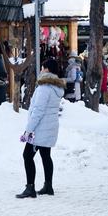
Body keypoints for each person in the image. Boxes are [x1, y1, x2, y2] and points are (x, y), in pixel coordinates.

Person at [16, 59, 64, 198]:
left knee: (27, 155)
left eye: (43, 68)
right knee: (45, 155)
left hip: (39, 129)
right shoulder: (55, 88)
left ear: (47, 70)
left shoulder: (44, 88)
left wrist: (28, 130)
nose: (41, 70)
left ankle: (30, 188)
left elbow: (38, 111)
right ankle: (48, 186)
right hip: (50, 126)